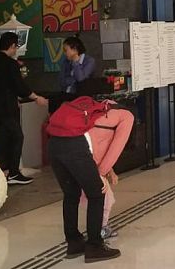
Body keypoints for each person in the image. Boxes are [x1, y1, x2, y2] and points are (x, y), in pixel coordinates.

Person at [47, 101, 121, 262]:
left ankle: (74, 243)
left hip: (54, 144)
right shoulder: (100, 120)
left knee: (71, 194)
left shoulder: (81, 108)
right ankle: (95, 246)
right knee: (96, 193)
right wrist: (100, 175)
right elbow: (92, 151)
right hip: (75, 146)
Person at [0, 32, 48, 185]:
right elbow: (20, 86)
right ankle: (13, 172)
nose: (16, 50)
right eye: (16, 46)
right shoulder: (11, 64)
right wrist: (36, 97)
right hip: (6, 109)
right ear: (12, 46)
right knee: (17, 137)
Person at [82, 107, 134, 240]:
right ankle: (99, 229)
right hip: (88, 168)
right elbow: (97, 153)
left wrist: (110, 171)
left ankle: (97, 228)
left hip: (81, 166)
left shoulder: (98, 124)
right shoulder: (119, 122)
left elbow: (103, 152)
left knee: (101, 199)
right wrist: (100, 174)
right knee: (105, 199)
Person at [61, 36, 96, 100]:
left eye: (66, 50)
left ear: (74, 49)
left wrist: (76, 63)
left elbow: (80, 79)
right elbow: (62, 81)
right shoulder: (66, 62)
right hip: (66, 96)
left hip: (83, 98)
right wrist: (74, 81)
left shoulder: (89, 61)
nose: (65, 53)